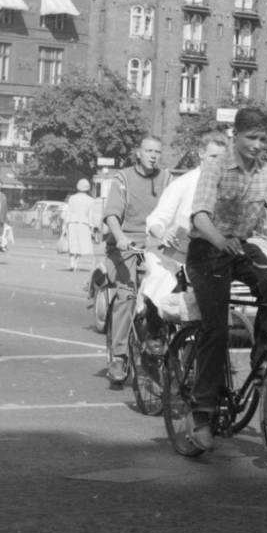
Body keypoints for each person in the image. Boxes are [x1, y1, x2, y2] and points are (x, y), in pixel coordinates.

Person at [185, 107, 267, 452]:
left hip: (239, 247)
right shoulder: (214, 168)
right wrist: (219, 240)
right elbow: (199, 216)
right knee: (216, 329)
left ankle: (261, 365)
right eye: (253, 139)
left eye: (265, 140)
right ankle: (201, 415)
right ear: (236, 136)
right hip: (206, 250)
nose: (260, 146)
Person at [99, 135, 166, 388]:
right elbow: (112, 215)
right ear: (138, 153)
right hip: (124, 247)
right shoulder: (123, 179)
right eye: (148, 150)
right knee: (127, 295)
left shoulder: (167, 179)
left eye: (157, 151)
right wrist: (120, 237)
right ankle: (118, 356)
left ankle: (159, 345)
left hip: (155, 245)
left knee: (165, 292)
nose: (153, 155)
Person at [60, 178, 96, 272]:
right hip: (84, 224)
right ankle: (76, 264)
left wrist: (65, 224)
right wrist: (91, 228)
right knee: (80, 244)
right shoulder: (91, 200)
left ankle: (72, 264)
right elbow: (91, 215)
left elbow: (69, 212)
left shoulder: (72, 198)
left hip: (72, 222)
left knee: (73, 243)